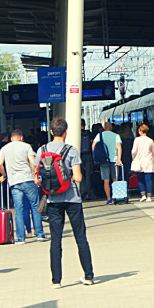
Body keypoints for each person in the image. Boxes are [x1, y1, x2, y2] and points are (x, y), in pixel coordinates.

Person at [42, 117, 94, 288]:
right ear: (66, 132)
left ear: (51, 132)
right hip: (72, 199)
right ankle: (88, 276)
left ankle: (56, 281)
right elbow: (78, 177)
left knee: (55, 240)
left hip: (52, 200)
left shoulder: (42, 150)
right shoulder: (71, 150)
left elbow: (37, 179)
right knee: (80, 237)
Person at [0, 129, 47, 244]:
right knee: (35, 206)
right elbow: (32, 161)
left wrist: (4, 175)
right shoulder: (26, 147)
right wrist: (35, 174)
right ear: (21, 137)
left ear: (11, 138)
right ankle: (39, 234)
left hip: (14, 182)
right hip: (28, 179)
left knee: (18, 209)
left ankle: (21, 238)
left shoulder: (4, 149)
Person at [92, 121, 122, 205]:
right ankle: (116, 196)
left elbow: (93, 145)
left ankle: (109, 199)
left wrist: (95, 158)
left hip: (103, 160)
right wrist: (119, 158)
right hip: (114, 160)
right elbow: (119, 147)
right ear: (111, 127)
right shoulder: (116, 136)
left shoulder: (99, 135)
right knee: (115, 179)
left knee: (106, 180)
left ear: (104, 127)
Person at [131, 123, 154, 202]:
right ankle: (149, 196)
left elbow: (134, 151)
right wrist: (153, 159)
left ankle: (143, 195)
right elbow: (153, 151)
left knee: (140, 179)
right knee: (148, 179)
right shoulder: (150, 140)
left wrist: (133, 158)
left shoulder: (137, 139)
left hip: (139, 161)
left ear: (140, 131)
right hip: (148, 161)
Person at [79, 119, 94, 200]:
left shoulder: (76, 134)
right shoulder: (88, 133)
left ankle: (82, 191)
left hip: (80, 155)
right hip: (88, 155)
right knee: (88, 174)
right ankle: (88, 192)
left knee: (80, 173)